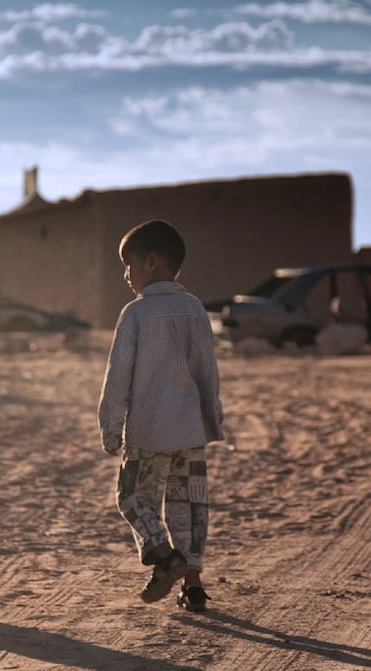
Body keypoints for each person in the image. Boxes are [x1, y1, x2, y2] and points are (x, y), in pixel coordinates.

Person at [97, 219, 224, 613]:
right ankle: (194, 586)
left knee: (134, 498)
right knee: (189, 506)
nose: (126, 274)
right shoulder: (194, 308)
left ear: (151, 262)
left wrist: (111, 424)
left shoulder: (136, 313)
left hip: (149, 428)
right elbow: (207, 368)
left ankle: (166, 558)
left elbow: (119, 373)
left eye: (128, 264)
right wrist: (211, 418)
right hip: (190, 427)